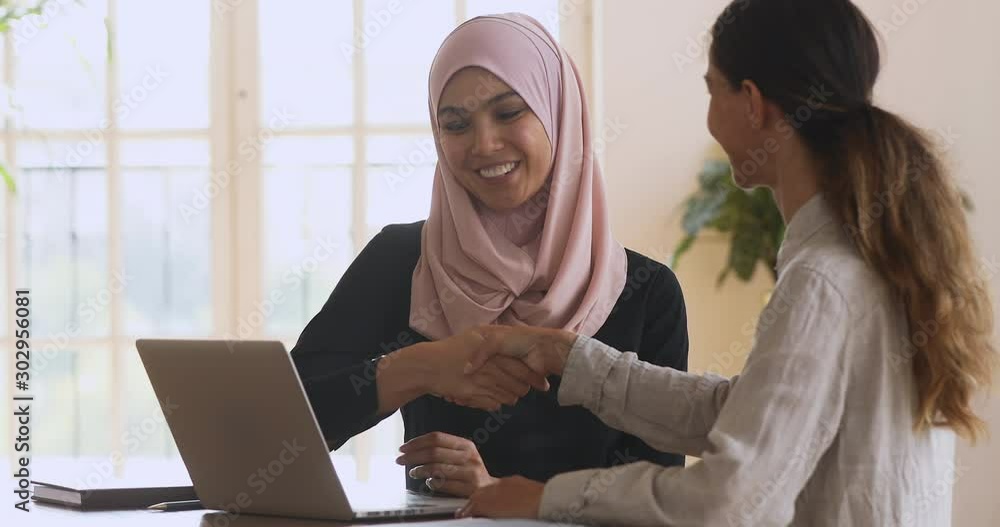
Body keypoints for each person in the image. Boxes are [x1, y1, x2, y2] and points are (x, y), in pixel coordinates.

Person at [454, 0, 998, 524]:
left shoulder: (822, 280)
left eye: (712, 90)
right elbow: (744, 414)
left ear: (753, 103)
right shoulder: (865, 253)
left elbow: (729, 500)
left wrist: (547, 496)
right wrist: (568, 355)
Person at [290, 13, 689, 497]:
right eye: (455, 124)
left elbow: (658, 493)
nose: (483, 144)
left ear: (557, 113)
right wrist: (423, 366)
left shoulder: (645, 292)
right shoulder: (405, 261)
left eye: (508, 113)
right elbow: (282, 428)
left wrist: (498, 490)